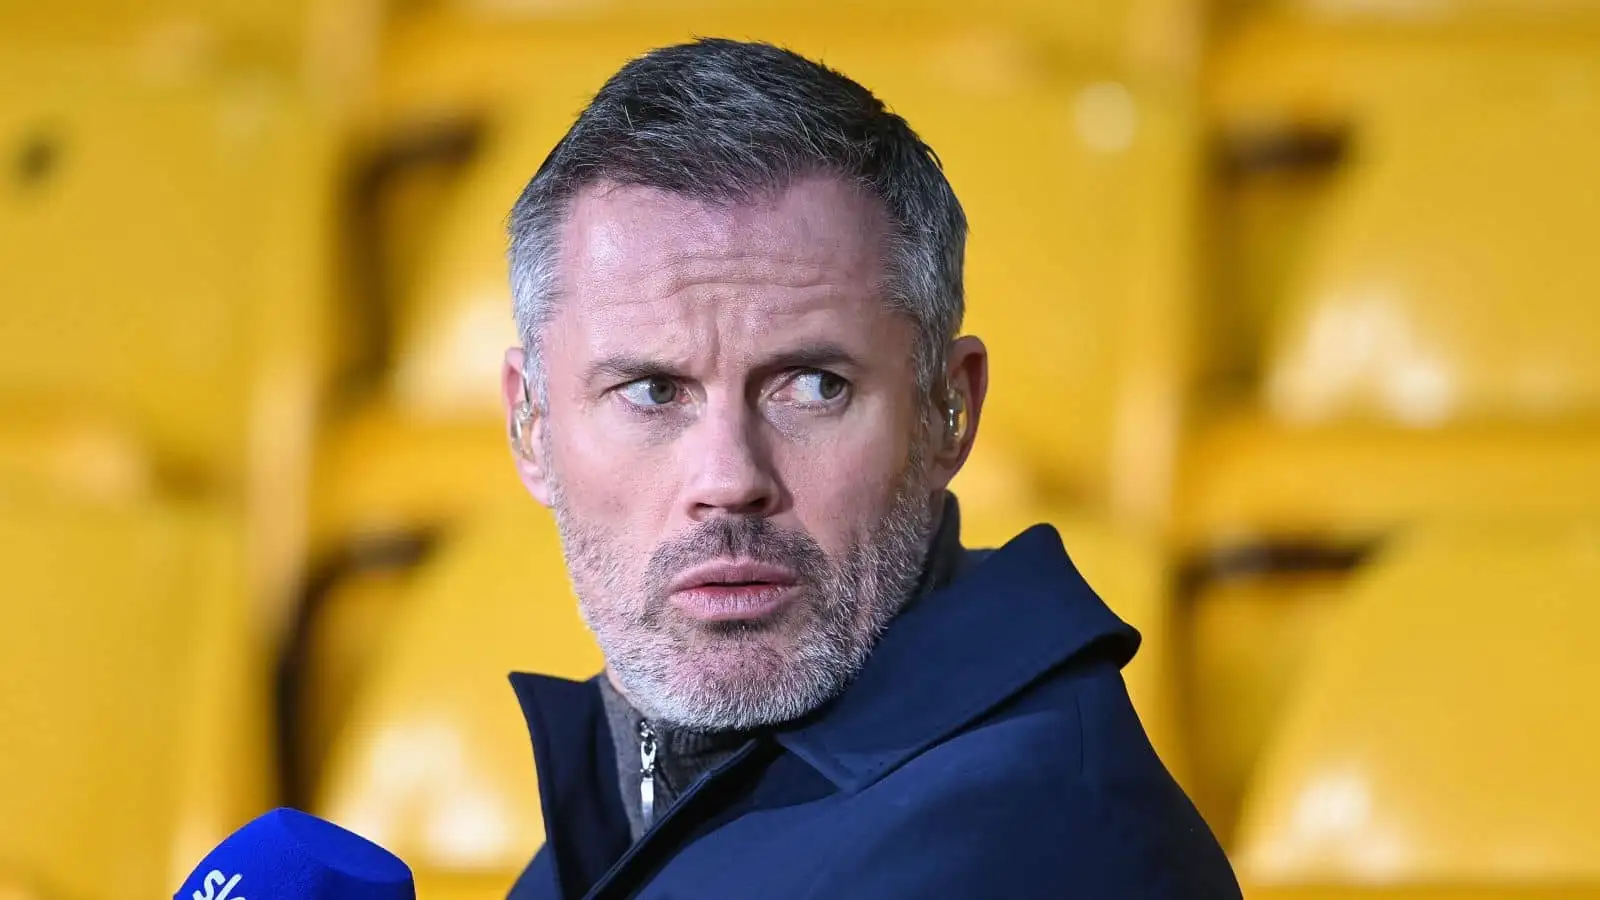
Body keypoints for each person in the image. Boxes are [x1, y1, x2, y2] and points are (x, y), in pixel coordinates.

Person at [497, 37, 1238, 899]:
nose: (730, 477)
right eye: (652, 391)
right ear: (530, 425)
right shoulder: (641, 793)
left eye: (812, 386)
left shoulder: (1030, 846)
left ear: (945, 413)